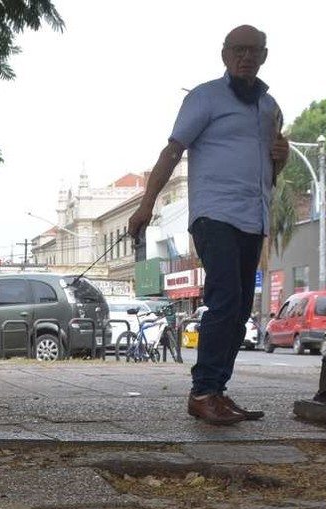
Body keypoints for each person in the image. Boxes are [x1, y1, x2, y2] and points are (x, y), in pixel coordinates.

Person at [128, 24, 288, 425]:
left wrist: (281, 157)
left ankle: (215, 390)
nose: (245, 57)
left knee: (240, 311)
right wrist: (146, 206)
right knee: (226, 298)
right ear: (224, 54)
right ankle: (202, 392)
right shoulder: (204, 98)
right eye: (238, 49)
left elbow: (270, 173)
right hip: (214, 214)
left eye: (253, 50)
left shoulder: (269, 107)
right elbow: (172, 151)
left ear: (265, 56)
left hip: (254, 217)